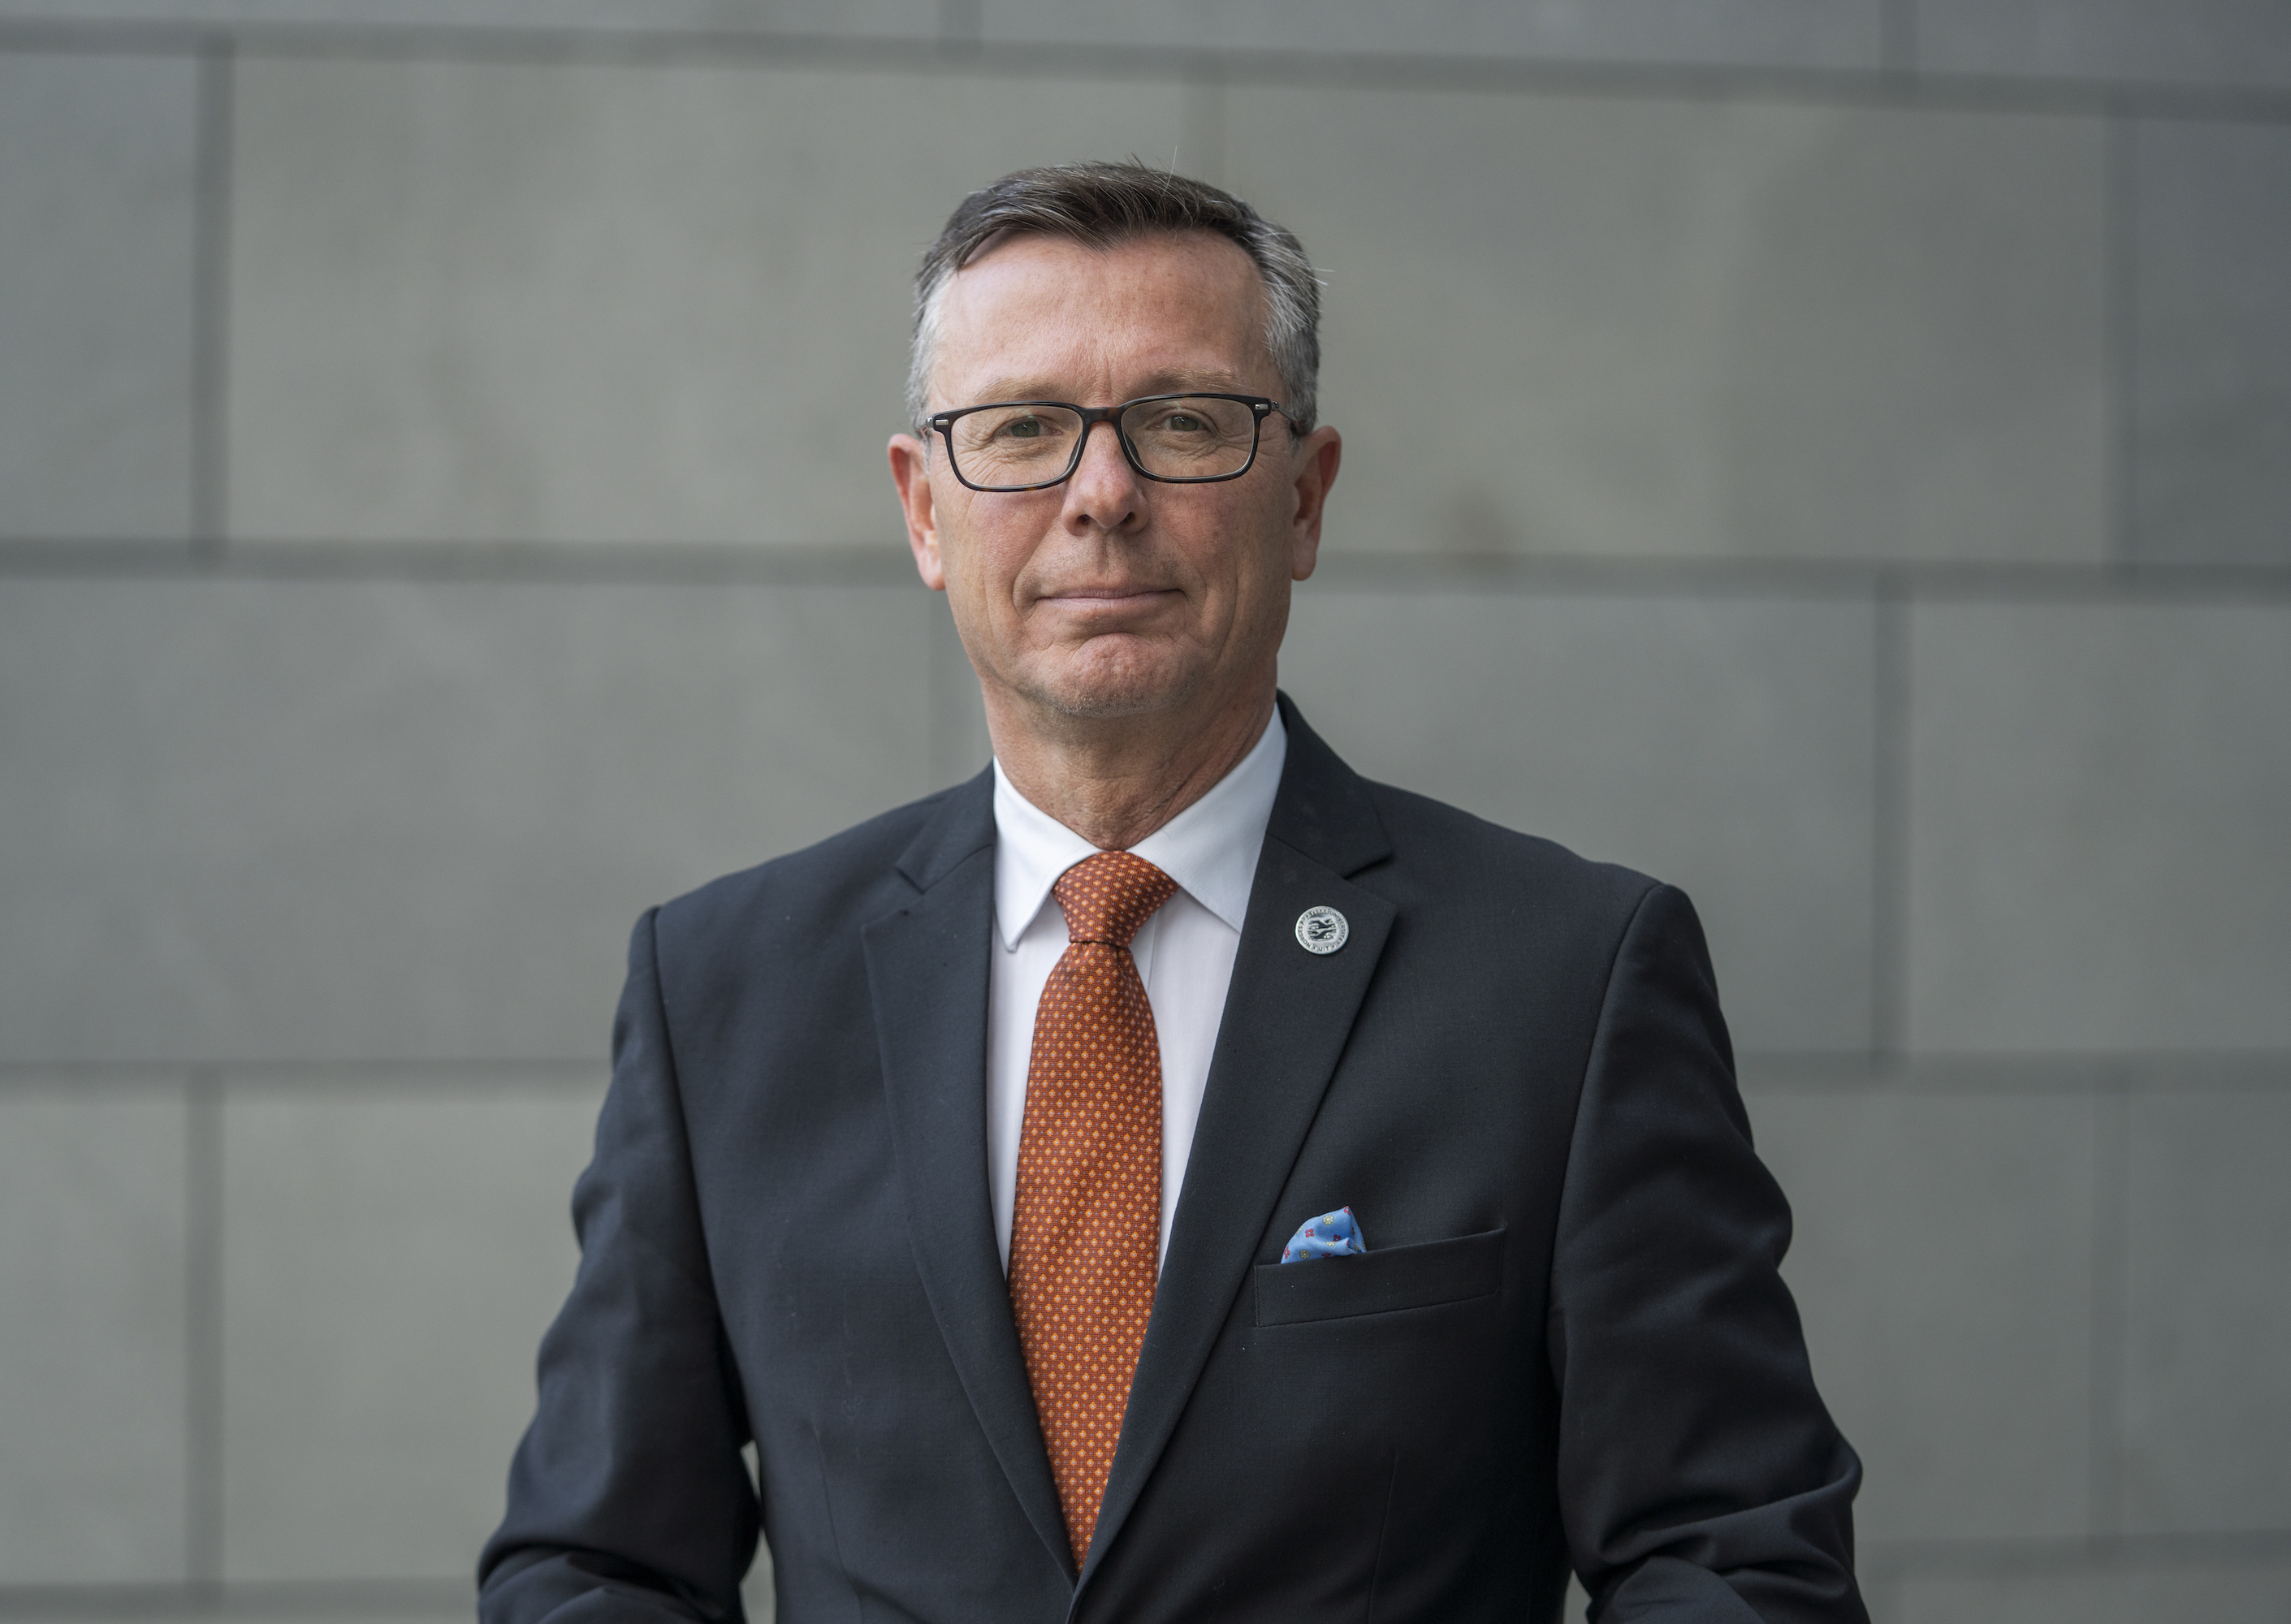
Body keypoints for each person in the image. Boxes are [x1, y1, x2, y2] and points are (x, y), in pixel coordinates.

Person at [480, 162, 1865, 1624]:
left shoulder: (1567, 982)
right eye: (1022, 429)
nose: (1101, 496)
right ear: (924, 511)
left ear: (1305, 499)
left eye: (1185, 423)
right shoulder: (724, 992)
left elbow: (1736, 1562)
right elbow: (594, 1567)